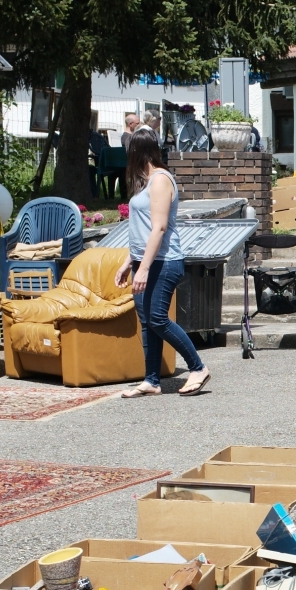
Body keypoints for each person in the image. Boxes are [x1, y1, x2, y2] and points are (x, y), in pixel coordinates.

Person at [114, 132, 210, 398]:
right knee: (148, 322)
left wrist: (143, 268)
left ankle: (198, 367)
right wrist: (129, 262)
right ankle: (151, 380)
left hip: (164, 262)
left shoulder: (160, 181)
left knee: (157, 318)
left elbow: (159, 228)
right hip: (146, 261)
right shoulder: (147, 184)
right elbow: (141, 231)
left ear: (137, 152)